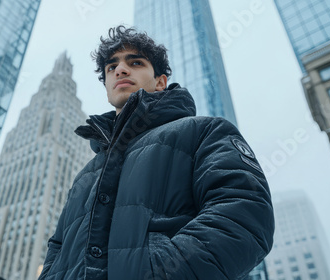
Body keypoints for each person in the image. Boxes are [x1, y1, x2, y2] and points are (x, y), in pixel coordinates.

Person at [38, 25, 274, 280]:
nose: (120, 69)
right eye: (111, 67)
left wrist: (158, 272)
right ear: (107, 86)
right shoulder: (85, 175)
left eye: (136, 62)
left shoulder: (204, 132)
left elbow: (245, 216)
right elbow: (56, 250)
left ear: (160, 82)